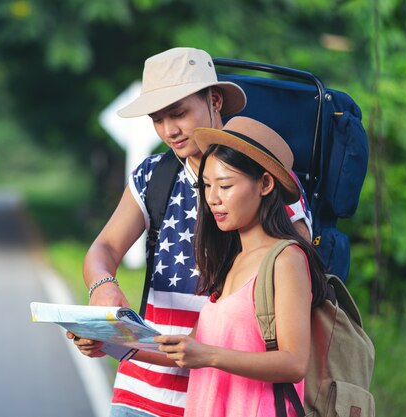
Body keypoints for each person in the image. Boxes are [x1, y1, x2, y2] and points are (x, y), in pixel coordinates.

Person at [70, 47, 312, 417]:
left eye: (179, 113)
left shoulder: (268, 179)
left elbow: (293, 278)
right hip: (142, 389)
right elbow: (103, 248)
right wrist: (103, 289)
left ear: (215, 100)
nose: (169, 130)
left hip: (231, 394)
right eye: (157, 119)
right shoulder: (154, 175)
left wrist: (212, 353)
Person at [125, 117, 328, 417]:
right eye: (206, 186)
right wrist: (111, 344)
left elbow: (294, 363)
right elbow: (186, 349)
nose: (212, 199)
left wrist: (207, 356)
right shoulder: (231, 260)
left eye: (225, 185)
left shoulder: (286, 259)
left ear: (265, 184)